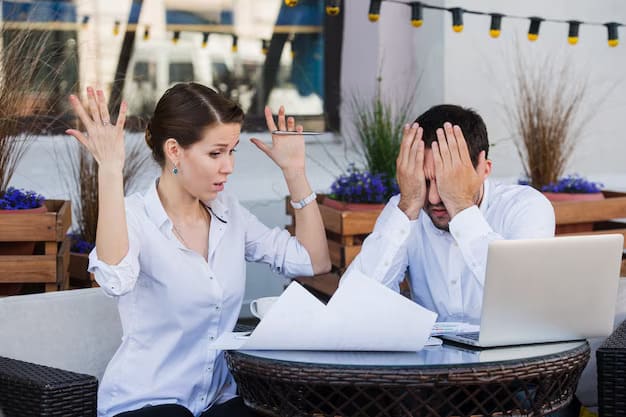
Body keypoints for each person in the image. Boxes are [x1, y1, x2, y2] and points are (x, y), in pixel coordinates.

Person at [66, 83, 331, 417]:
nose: (229, 166)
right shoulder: (134, 216)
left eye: (232, 151)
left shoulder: (230, 213)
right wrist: (109, 169)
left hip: (215, 402)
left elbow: (313, 262)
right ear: (175, 151)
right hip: (146, 403)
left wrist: (295, 173)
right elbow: (115, 280)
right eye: (216, 153)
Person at [346, 104, 555, 324]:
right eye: (426, 181)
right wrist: (407, 209)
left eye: (448, 180)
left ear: (484, 169)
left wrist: (460, 206)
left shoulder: (526, 207)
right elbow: (353, 302)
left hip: (515, 356)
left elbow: (526, 298)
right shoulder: (408, 205)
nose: (434, 198)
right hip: (430, 357)